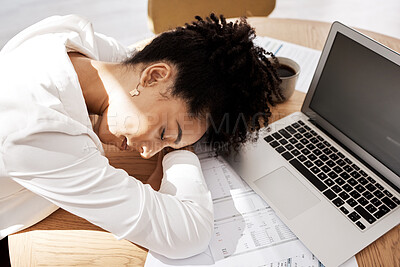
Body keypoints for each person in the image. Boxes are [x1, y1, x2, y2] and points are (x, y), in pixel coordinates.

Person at [0, 13, 281, 260]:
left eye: (167, 142)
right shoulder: (38, 129)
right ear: (154, 76)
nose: (148, 153)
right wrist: (181, 153)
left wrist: (177, 136)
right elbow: (187, 235)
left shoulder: (74, 44)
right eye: (165, 133)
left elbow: (130, 60)